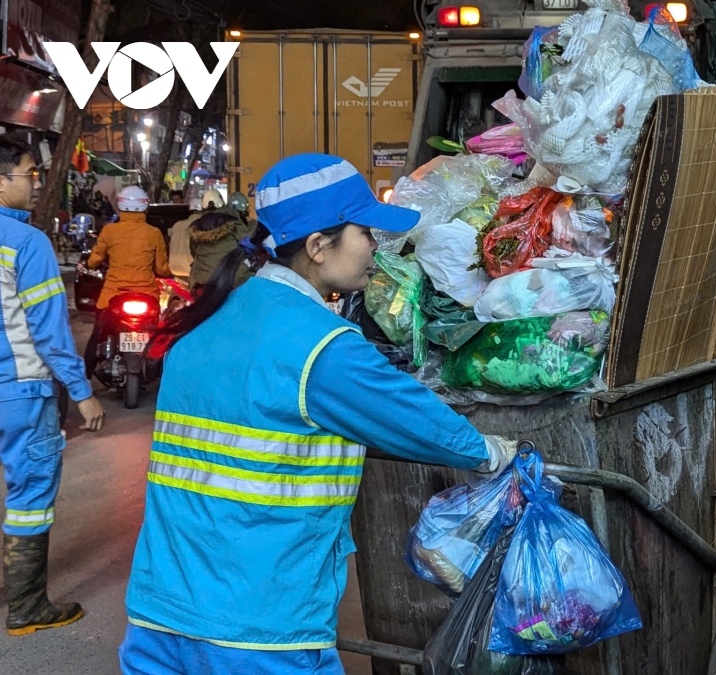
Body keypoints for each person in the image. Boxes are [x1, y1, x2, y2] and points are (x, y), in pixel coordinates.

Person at [117, 154, 514, 673]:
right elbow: (415, 418)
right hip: (260, 630)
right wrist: (489, 453)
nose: (376, 248)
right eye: (367, 233)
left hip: (158, 615)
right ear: (318, 246)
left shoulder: (205, 325)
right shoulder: (320, 346)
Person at [0, 137, 106, 636]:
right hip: (20, 390)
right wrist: (81, 392)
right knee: (30, 494)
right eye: (28, 174)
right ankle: (26, 607)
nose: (35, 183)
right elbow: (47, 329)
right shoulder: (26, 243)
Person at [85, 186, 170, 371]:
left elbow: (95, 259)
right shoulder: (154, 233)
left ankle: (88, 368)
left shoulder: (109, 231)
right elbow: (161, 269)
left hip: (113, 294)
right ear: (145, 207)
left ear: (120, 206)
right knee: (156, 331)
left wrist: (90, 264)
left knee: (98, 330)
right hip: (146, 293)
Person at [188, 190, 255, 289]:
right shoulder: (232, 221)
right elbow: (249, 241)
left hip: (200, 279)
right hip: (229, 277)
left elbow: (193, 251)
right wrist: (254, 224)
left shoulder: (196, 227)